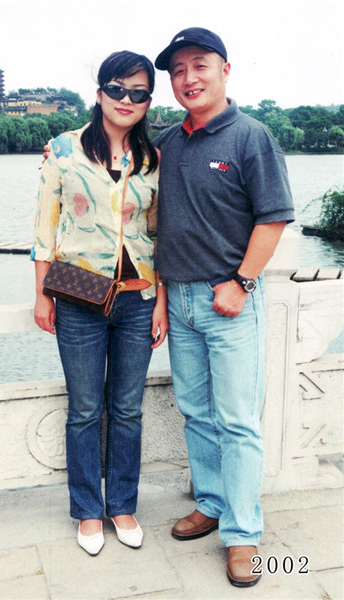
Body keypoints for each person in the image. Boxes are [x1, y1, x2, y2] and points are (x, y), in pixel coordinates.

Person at [153, 28, 295, 587]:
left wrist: (241, 281)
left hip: (228, 300)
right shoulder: (168, 141)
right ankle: (210, 504)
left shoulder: (250, 136)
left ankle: (243, 533)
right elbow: (121, 170)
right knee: (195, 411)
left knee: (237, 421)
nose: (188, 78)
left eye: (199, 65)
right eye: (178, 70)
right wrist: (62, 148)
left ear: (225, 70)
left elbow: (274, 217)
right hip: (180, 300)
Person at [32, 50, 168, 556]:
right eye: (117, 89)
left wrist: (162, 301)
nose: (126, 100)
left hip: (138, 300)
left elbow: (159, 236)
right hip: (78, 297)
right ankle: (88, 509)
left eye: (138, 92)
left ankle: (123, 505)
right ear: (99, 94)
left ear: (148, 101)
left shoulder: (154, 159)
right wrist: (41, 294)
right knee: (85, 409)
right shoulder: (63, 150)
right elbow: (45, 229)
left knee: (127, 409)